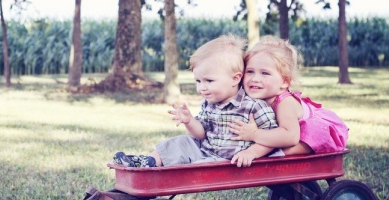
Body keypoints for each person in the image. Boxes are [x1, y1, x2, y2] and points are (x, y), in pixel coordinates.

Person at [113, 34, 282, 168]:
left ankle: (164, 173)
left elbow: (272, 140)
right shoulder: (209, 103)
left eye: (209, 81)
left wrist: (251, 152)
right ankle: (148, 162)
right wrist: (189, 121)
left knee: (196, 168)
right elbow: (201, 133)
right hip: (205, 150)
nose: (202, 88)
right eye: (198, 81)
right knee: (180, 141)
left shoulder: (254, 106)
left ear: (235, 78)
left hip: (227, 161)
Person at [229, 35, 349, 155]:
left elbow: (290, 137)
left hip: (314, 133)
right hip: (289, 132)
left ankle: (274, 156)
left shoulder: (285, 104)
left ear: (284, 82)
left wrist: (254, 134)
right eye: (250, 71)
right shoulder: (254, 96)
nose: (255, 78)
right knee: (269, 143)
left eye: (265, 73)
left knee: (283, 148)